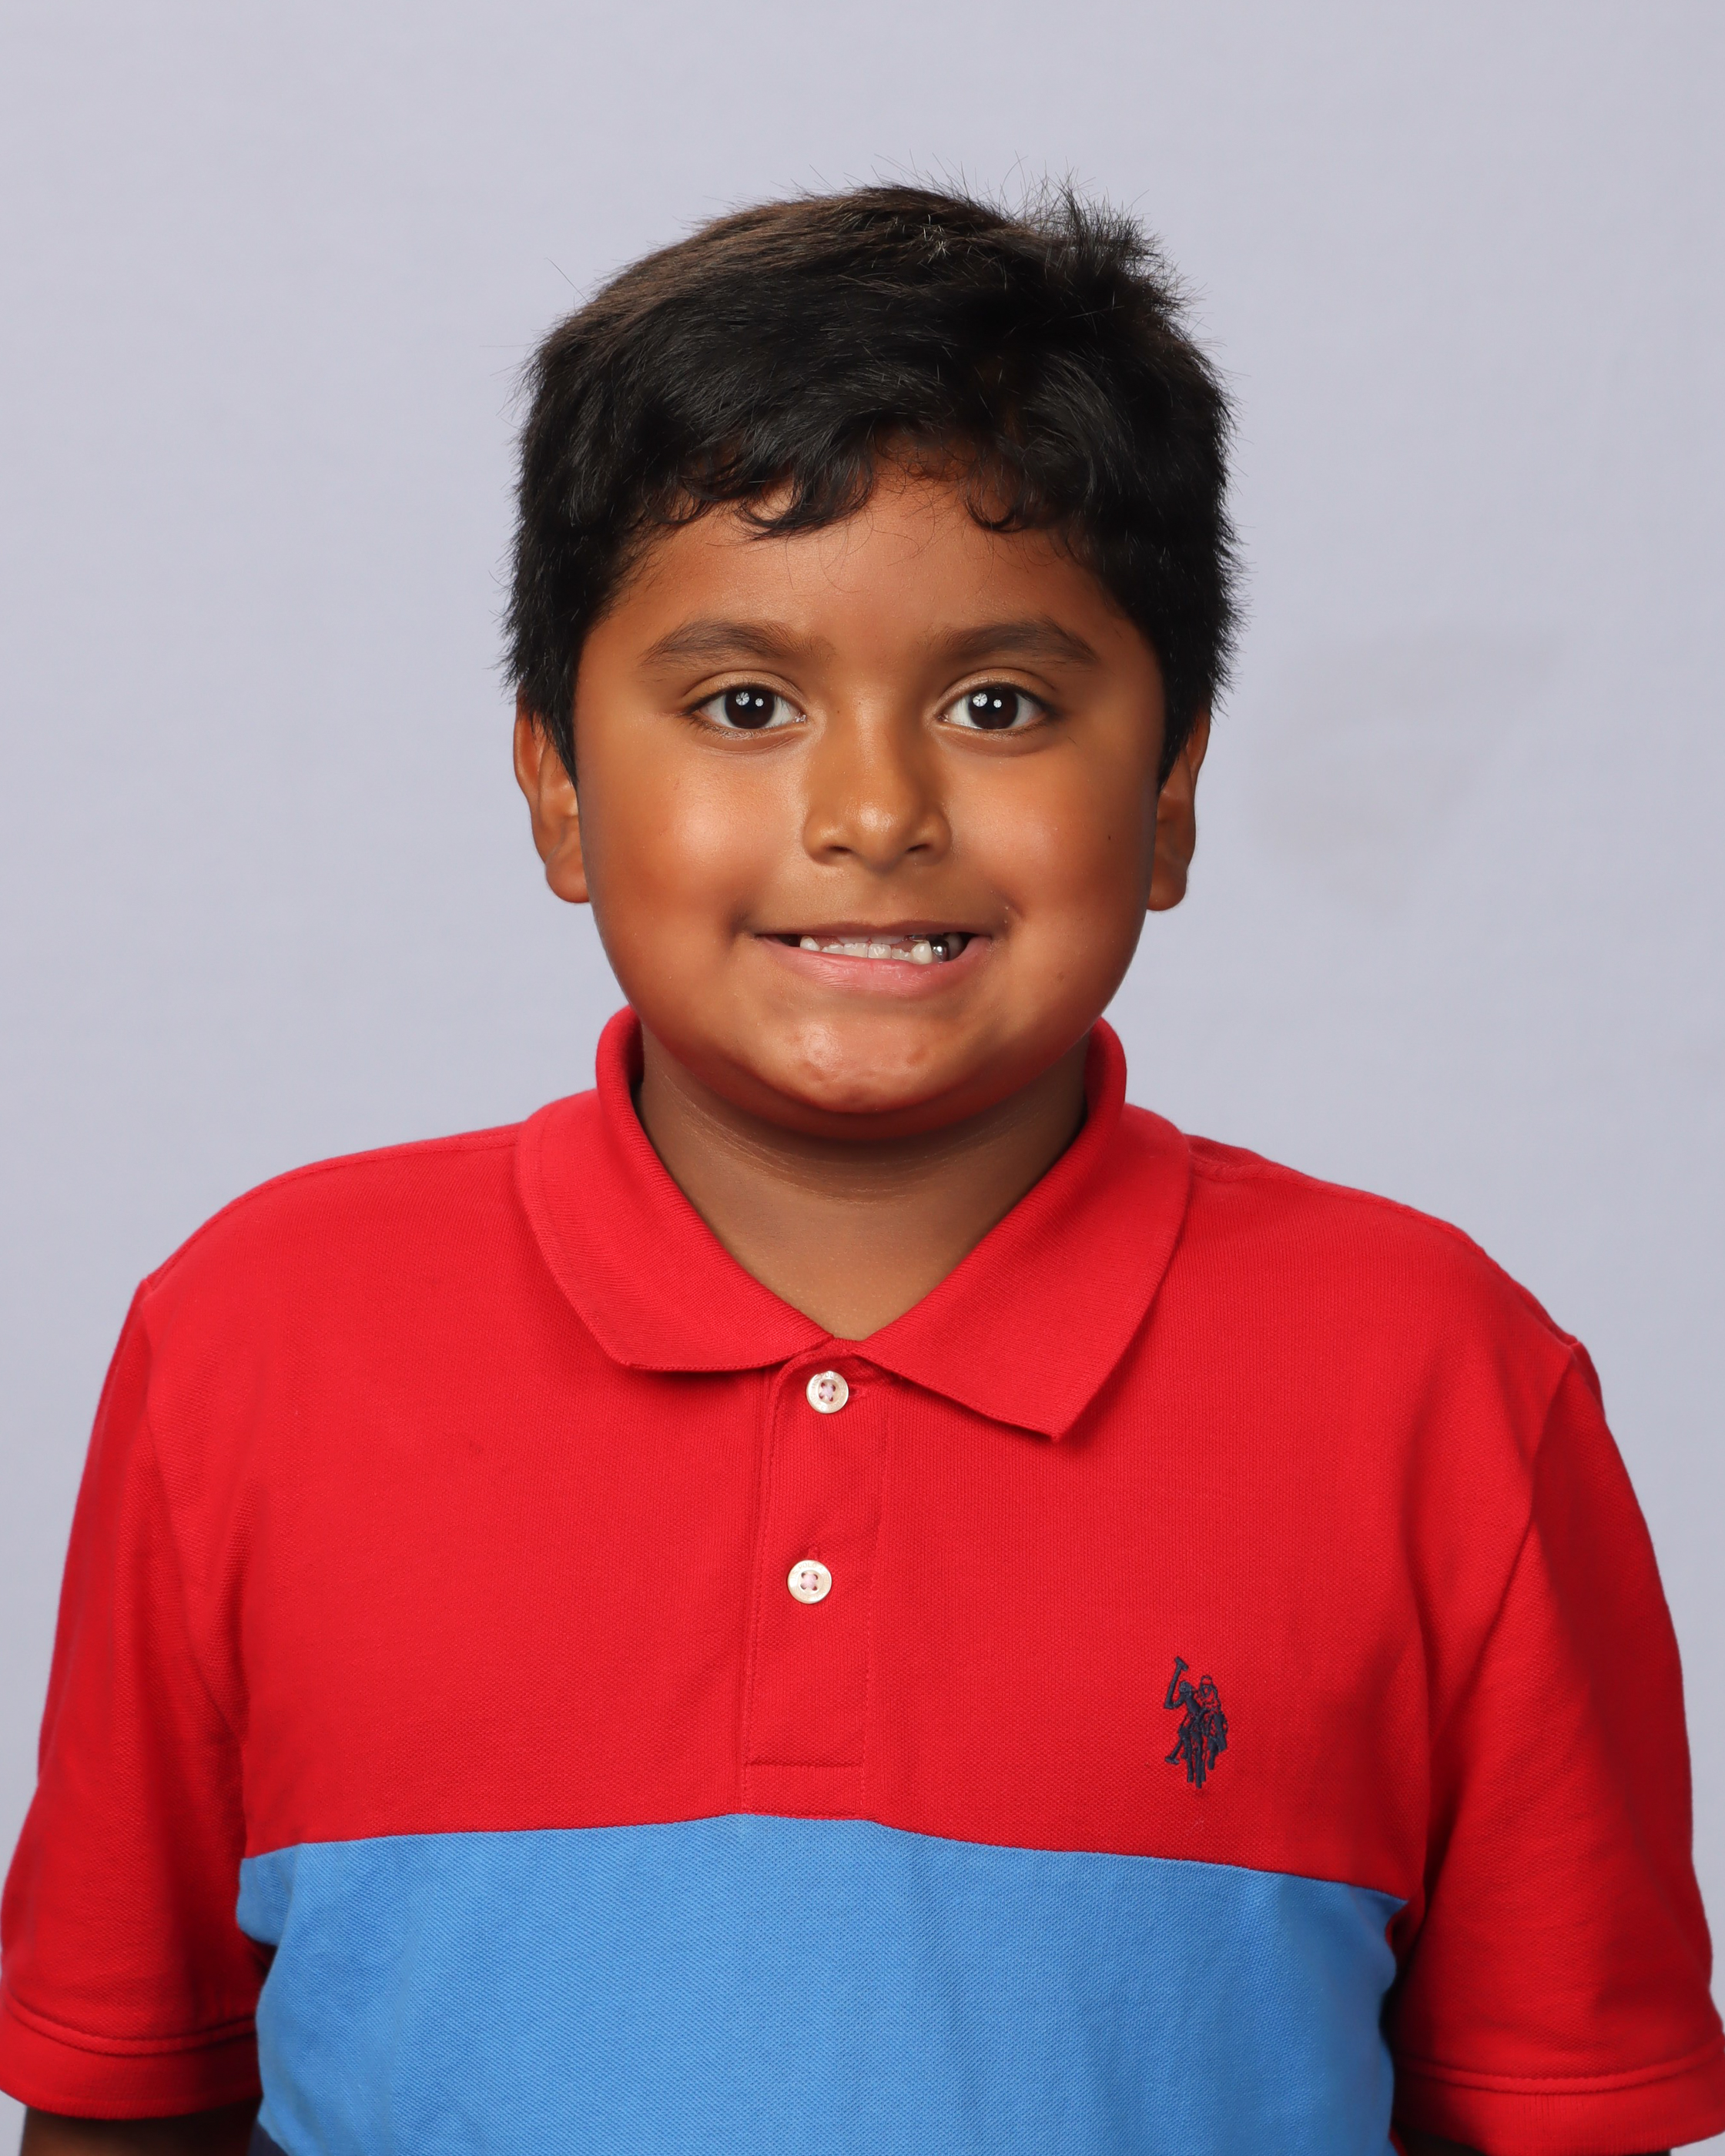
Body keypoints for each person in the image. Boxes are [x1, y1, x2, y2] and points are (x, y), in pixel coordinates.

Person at [1, 184, 1719, 2156]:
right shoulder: (257, 1339)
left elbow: (1559, 2117)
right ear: (557, 781)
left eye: (999, 704)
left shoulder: (1441, 1381)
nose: (876, 809)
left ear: (1168, 791)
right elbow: (123, 2100)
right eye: (745, 704)